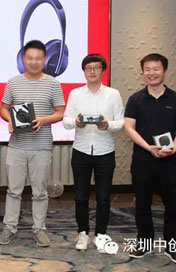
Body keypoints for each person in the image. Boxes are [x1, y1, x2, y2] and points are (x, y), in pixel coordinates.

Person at [0, 40, 65, 247]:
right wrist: (9, 120)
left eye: (38, 58)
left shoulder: (53, 83)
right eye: (30, 58)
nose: (34, 62)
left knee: (40, 192)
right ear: (23, 59)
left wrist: (43, 120)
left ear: (44, 60)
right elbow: (3, 108)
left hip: (42, 146)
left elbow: (61, 112)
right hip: (17, 145)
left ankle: (39, 229)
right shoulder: (13, 82)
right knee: (13, 190)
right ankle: (9, 228)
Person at [124, 53, 176, 265]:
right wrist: (148, 147)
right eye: (147, 69)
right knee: (142, 204)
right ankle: (144, 243)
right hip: (143, 160)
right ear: (142, 73)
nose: (151, 73)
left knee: (173, 205)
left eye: (156, 69)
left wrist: (173, 148)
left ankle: (173, 246)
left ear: (165, 71)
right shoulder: (135, 99)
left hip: (170, 161)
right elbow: (129, 128)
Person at [62, 53, 124, 252]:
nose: (92, 71)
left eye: (96, 67)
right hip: (81, 150)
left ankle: (101, 234)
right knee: (80, 196)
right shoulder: (75, 94)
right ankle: (82, 233)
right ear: (83, 71)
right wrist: (76, 122)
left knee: (103, 197)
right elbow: (66, 121)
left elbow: (121, 122)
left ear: (103, 70)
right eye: (88, 68)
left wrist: (108, 125)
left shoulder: (113, 94)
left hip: (105, 151)